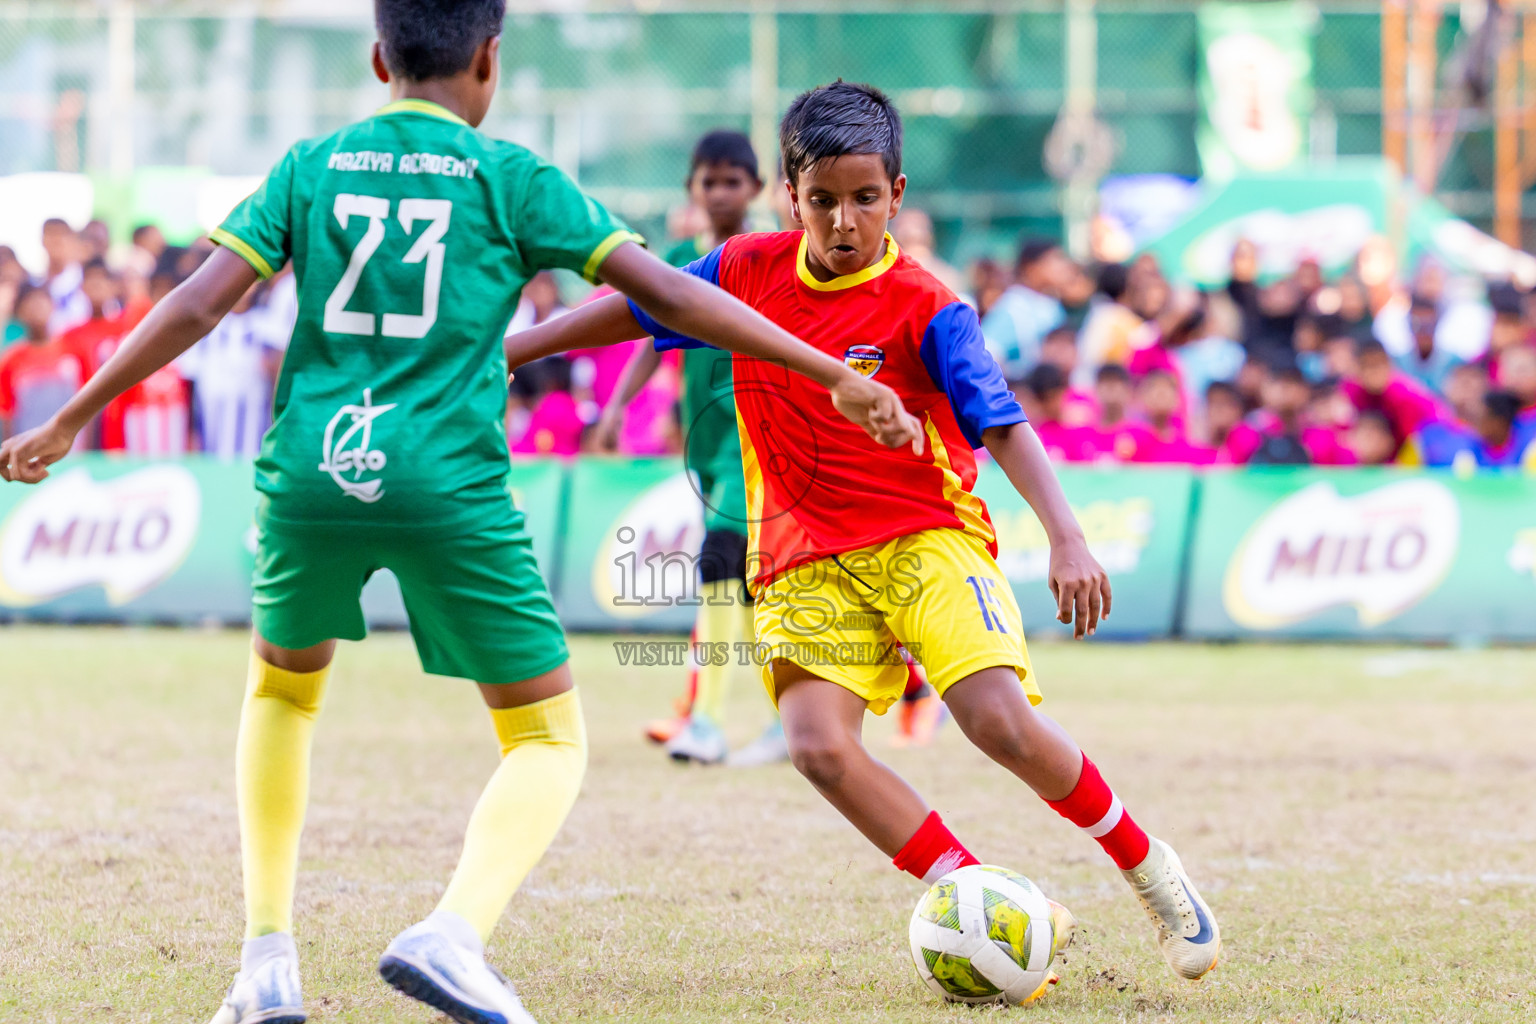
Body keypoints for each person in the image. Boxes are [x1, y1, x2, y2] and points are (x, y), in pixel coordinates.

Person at [0, 10, 920, 1023]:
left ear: (380, 58)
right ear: (490, 59)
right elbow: (667, 296)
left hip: (311, 470)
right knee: (547, 736)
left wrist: (76, 417)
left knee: (284, 696)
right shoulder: (510, 175)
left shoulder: (310, 164)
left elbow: (193, 304)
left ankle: (266, 960)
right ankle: (452, 932)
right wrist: (830, 367)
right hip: (447, 479)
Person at [505, 80, 1222, 991]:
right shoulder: (744, 269)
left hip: (926, 537)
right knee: (816, 747)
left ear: (898, 194)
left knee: (998, 723)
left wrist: (1068, 536)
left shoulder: (928, 305)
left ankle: (1149, 867)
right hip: (803, 555)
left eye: (866, 198)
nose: (845, 221)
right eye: (823, 201)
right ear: (789, 198)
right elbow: (639, 310)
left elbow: (1001, 424)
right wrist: (512, 353)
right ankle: (980, 897)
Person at [591, 129, 780, 765]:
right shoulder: (674, 257)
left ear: (755, 189)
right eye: (711, 180)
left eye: (734, 181)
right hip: (704, 439)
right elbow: (650, 334)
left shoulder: (767, 254)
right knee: (751, 582)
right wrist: (617, 405)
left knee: (721, 559)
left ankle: (709, 720)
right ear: (692, 188)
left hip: (754, 431)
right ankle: (788, 718)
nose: (722, 191)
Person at [0, 284, 87, 443]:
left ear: (52, 305)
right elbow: (7, 413)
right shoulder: (11, 359)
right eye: (30, 304)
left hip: (73, 446)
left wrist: (88, 448)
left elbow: (88, 398)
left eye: (41, 302)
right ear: (20, 312)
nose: (37, 308)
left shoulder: (74, 350)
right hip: (29, 446)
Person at [981, 237, 1073, 377]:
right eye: (1054, 260)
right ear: (1031, 267)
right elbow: (987, 354)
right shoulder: (1013, 307)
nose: (1062, 267)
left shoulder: (1051, 305)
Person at [1395, 292, 1461, 393]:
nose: (1423, 332)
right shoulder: (1397, 364)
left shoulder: (1454, 363)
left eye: (1428, 325)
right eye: (1417, 325)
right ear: (1409, 326)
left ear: (1437, 324)